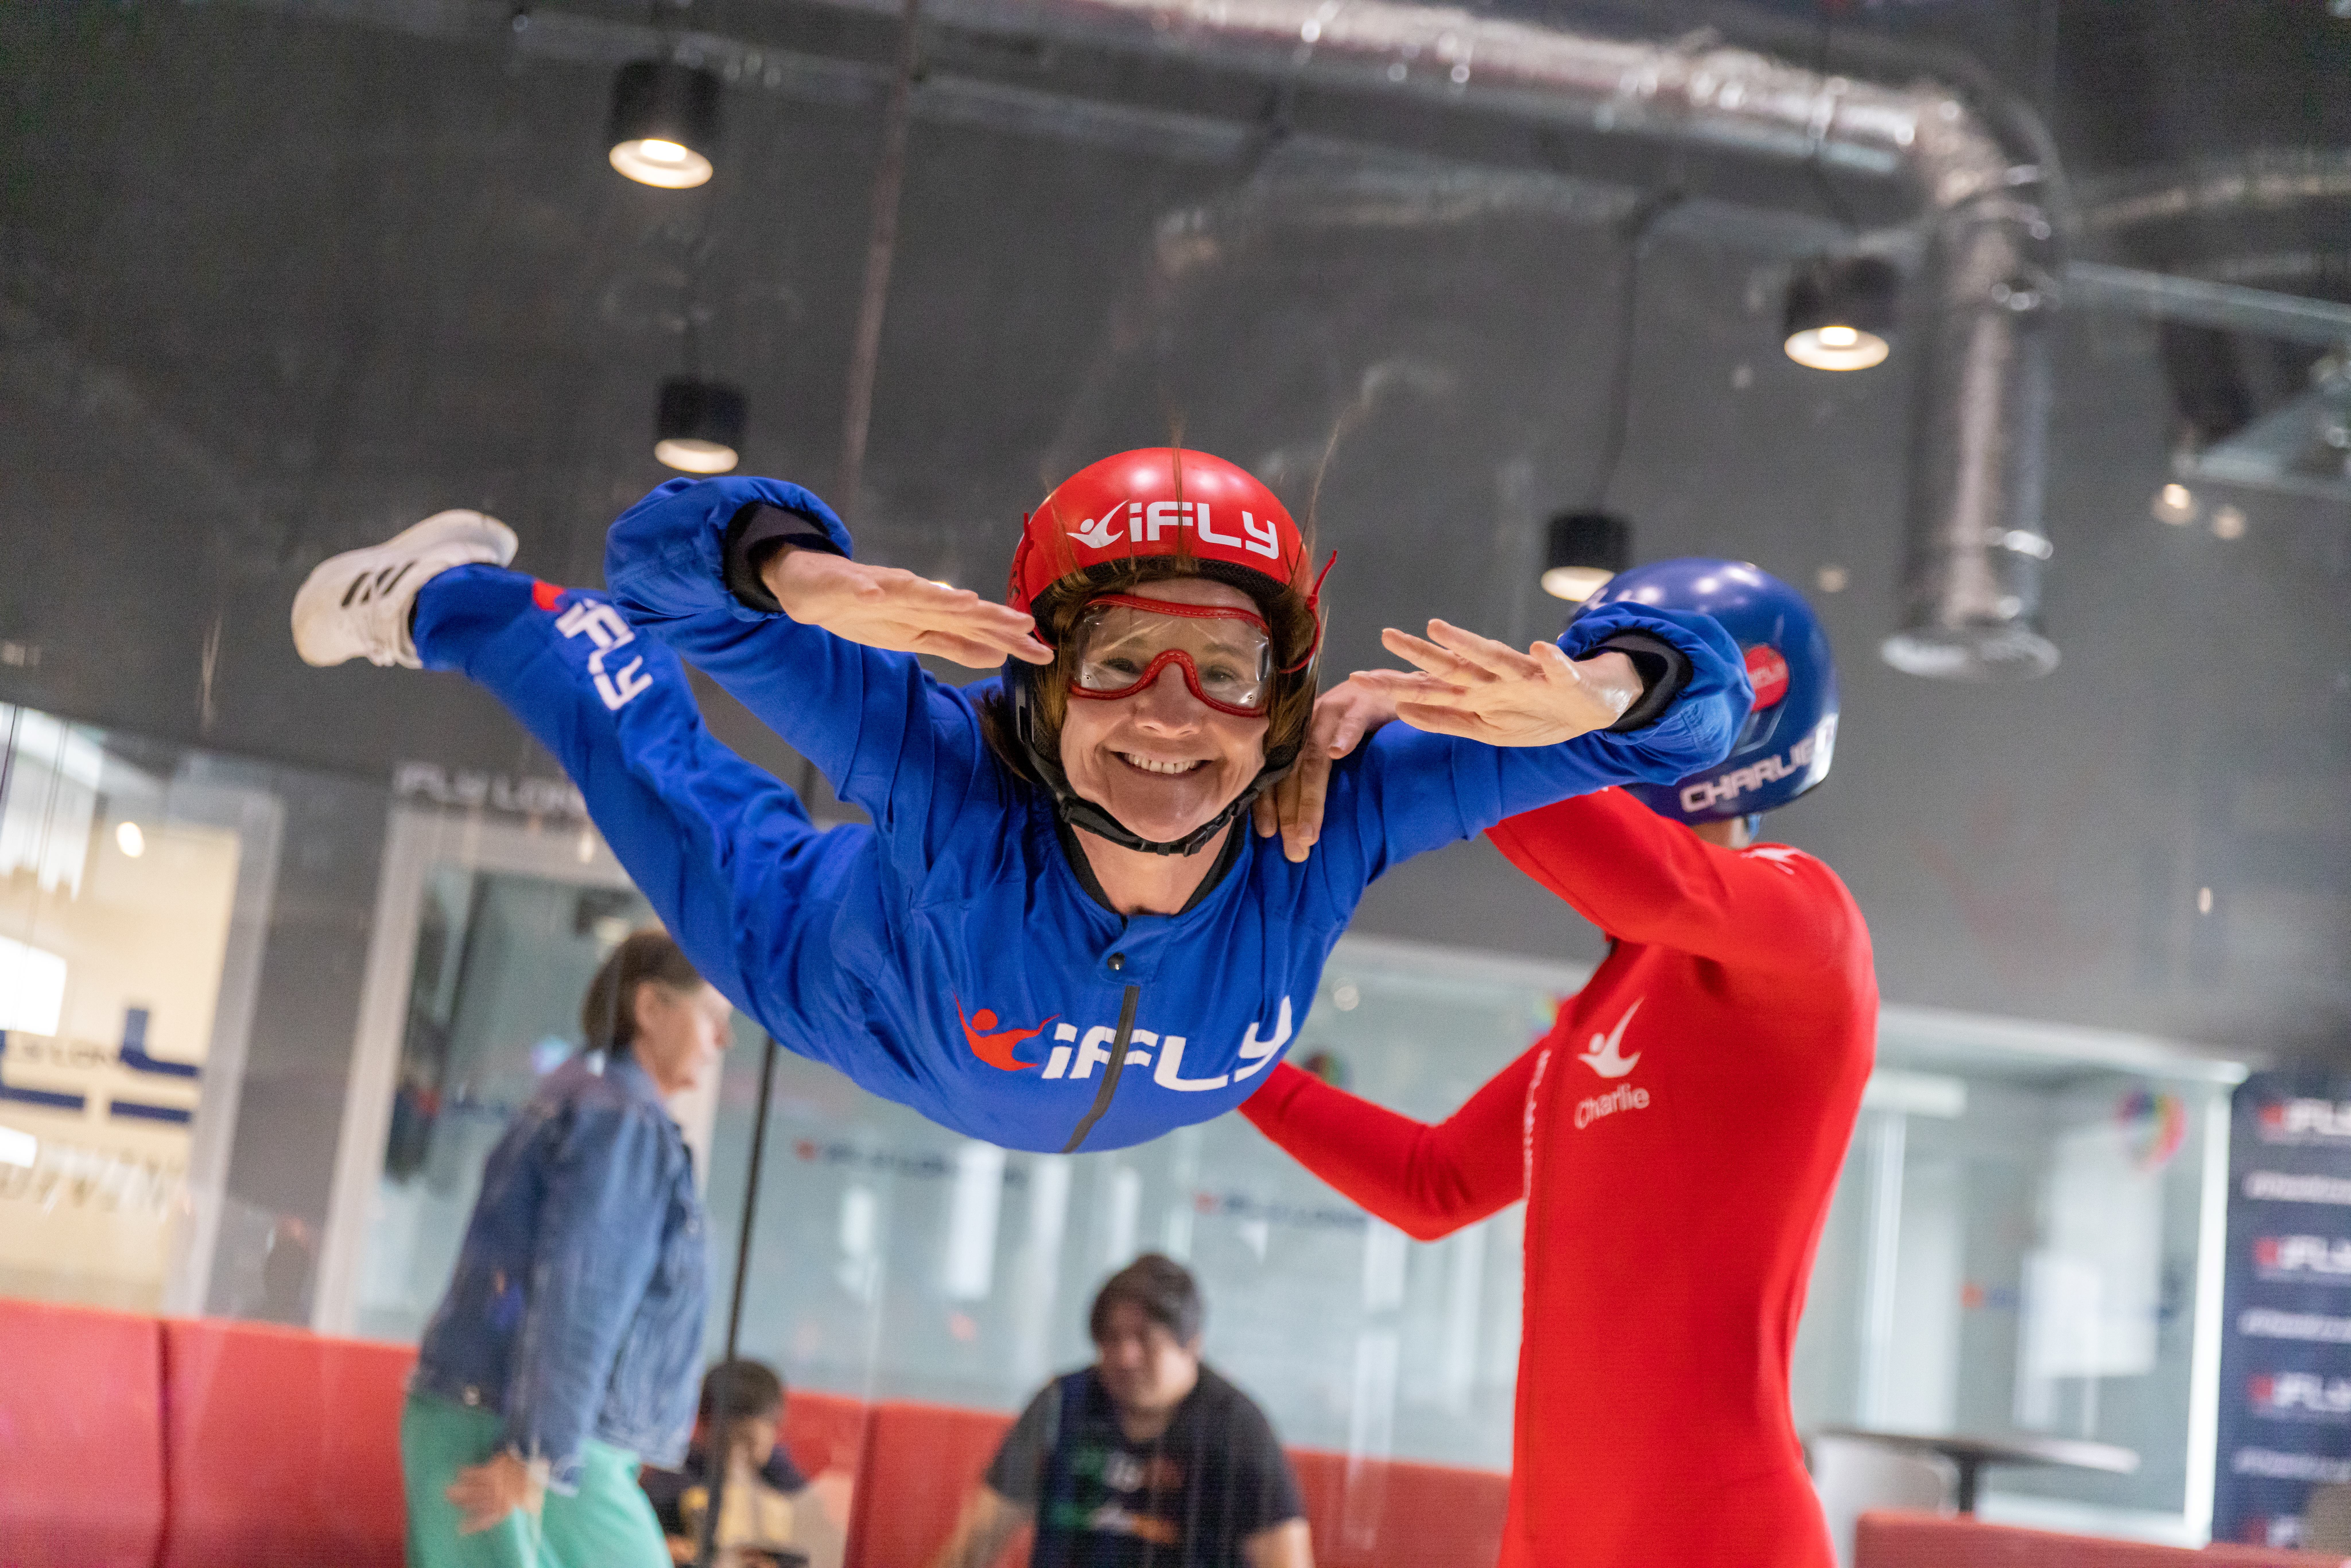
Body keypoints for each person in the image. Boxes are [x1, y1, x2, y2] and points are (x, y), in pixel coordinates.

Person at [293, 449, 1747, 1154]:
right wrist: (797, 576)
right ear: (1042, 685)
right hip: (830, 973)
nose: (1174, 717)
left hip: (1008, 1058)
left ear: (1290, 699)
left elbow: (1718, 708)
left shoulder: (1331, 812)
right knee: (624, 720)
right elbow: (662, 574)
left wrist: (1607, 694)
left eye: (1226, 672)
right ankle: (454, 596)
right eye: (1121, 661)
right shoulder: (951, 774)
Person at [1243, 560, 1875, 1568]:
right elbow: (1433, 1183)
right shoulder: (1608, 1006)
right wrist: (1226, 1059)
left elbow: (1654, 885)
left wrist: (1450, 725)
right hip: (1550, 1539)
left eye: (1598, 696)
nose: (1563, 729)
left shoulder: (1810, 923)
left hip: (1719, 1539)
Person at [400, 928, 736, 1567]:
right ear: (651, 1008)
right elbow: (583, 1294)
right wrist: (538, 1453)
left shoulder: (587, 1098)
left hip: (498, 1419)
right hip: (520, 1436)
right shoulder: (622, 1122)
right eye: (713, 1016)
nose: (723, 1039)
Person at [924, 1255, 1310, 1568]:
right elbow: (973, 1547)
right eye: (1111, 1339)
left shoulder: (1238, 1429)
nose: (1126, 1357)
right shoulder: (1062, 1405)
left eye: (1145, 1341)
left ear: (1192, 1346)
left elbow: (1287, 1561)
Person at [639, 1360, 848, 1568]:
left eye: (750, 1442)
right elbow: (648, 1538)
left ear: (776, 1431)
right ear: (702, 1427)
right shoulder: (672, 1481)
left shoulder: (789, 1485)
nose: (736, 1456)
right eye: (724, 1443)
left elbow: (823, 1545)